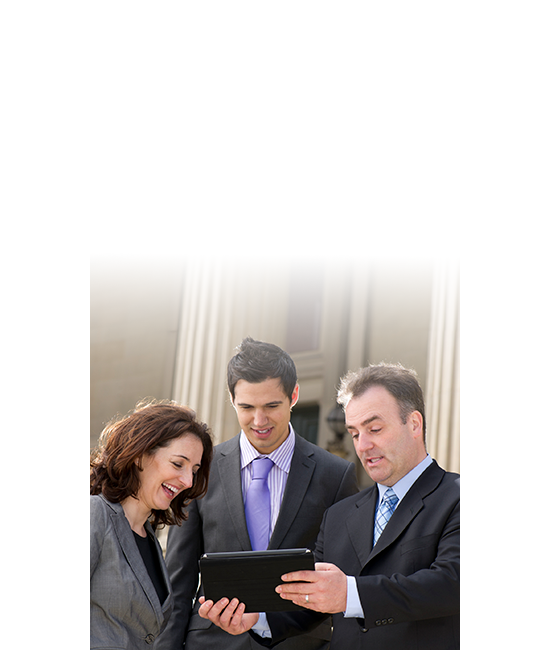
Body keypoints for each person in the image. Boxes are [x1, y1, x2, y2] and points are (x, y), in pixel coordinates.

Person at [199, 362, 460, 650]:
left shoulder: (459, 498)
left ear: (414, 424)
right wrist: (258, 619)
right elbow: (310, 600)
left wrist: (350, 594)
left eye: (374, 428)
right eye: (355, 433)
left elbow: (452, 583)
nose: (363, 445)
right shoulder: (339, 515)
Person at [154, 337, 358, 650]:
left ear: (294, 396)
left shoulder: (335, 475)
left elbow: (341, 579)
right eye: (247, 407)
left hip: (300, 643)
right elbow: (178, 583)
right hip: (211, 643)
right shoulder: (201, 470)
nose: (259, 421)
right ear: (232, 400)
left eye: (271, 406)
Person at [90, 399, 214, 650]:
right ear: (139, 455)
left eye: (194, 470)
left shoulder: (150, 540)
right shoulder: (95, 513)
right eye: (178, 464)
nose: (188, 481)